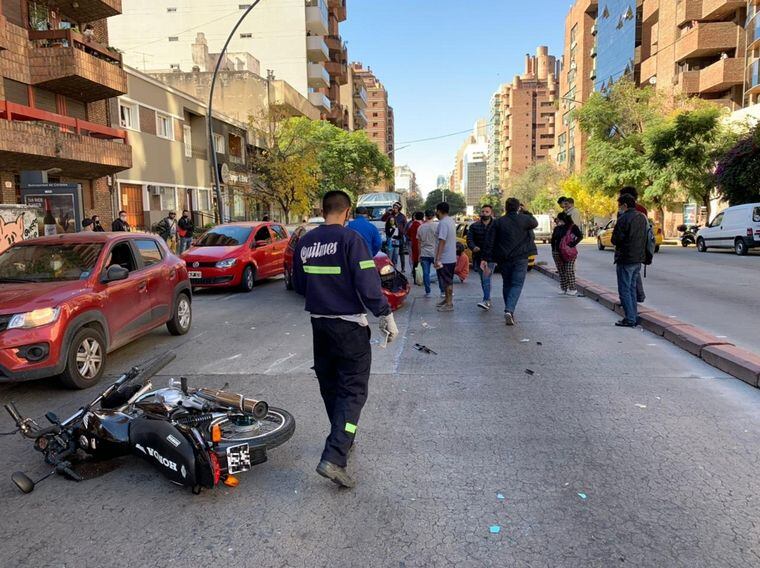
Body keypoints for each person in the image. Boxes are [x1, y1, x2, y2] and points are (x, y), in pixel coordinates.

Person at [293, 190, 398, 488]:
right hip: (349, 328)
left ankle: (342, 437)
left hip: (319, 327)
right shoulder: (352, 240)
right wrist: (385, 315)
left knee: (331, 386)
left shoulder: (306, 241)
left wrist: (324, 292)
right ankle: (335, 456)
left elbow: (300, 284)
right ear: (348, 211)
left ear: (323, 209)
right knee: (353, 393)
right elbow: (368, 283)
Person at [482, 197, 538, 326]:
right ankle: (509, 309)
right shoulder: (525, 220)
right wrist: (526, 212)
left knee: (506, 283)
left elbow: (489, 241)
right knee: (517, 284)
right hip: (521, 258)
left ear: (505, 208)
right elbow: (534, 222)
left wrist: (485, 258)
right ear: (518, 207)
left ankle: (509, 309)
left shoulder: (498, 222)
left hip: (503, 258)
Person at [611, 194, 648, 327]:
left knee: (625, 289)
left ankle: (630, 318)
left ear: (625, 205)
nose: (619, 208)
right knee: (632, 289)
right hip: (638, 258)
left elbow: (615, 239)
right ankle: (633, 316)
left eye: (619, 205)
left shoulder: (623, 219)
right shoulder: (642, 218)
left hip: (625, 258)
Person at [619, 186, 647, 302]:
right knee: (635, 273)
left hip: (627, 251)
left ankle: (630, 304)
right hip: (640, 248)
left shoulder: (623, 213)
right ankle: (638, 296)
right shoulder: (642, 210)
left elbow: (619, 234)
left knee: (627, 282)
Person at [467, 204, 496, 310]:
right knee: (484, 278)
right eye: (483, 211)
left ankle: (486, 300)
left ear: (491, 213)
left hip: (491, 257)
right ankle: (487, 298)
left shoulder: (496, 225)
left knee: (486, 277)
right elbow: (469, 239)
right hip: (478, 256)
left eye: (487, 212)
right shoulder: (474, 226)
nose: (484, 213)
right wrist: (473, 247)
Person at [433, 202, 457, 312]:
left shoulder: (443, 223)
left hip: (445, 258)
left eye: (436, 211)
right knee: (446, 280)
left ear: (438, 211)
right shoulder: (451, 221)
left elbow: (442, 240)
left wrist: (438, 258)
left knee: (447, 281)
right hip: (450, 257)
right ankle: (447, 300)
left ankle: (449, 303)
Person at [551, 212, 583, 296]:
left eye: (558, 219)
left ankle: (572, 288)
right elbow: (553, 239)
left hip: (569, 252)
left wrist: (571, 245)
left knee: (569, 270)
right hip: (557, 252)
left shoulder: (572, 227)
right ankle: (563, 287)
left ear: (562, 219)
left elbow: (580, 236)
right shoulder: (557, 228)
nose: (557, 220)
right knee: (561, 271)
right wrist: (553, 249)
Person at [417, 209, 437, 298]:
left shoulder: (420, 227)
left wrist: (419, 254)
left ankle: (428, 291)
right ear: (433, 216)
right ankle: (443, 290)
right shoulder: (437, 226)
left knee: (426, 273)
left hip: (424, 253)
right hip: (435, 253)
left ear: (425, 216)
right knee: (440, 272)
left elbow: (419, 243)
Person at [381, 203, 408, 271]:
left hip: (399, 237)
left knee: (399, 253)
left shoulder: (402, 216)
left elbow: (405, 226)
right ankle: (390, 269)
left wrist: (402, 232)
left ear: (399, 208)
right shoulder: (390, 215)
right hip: (390, 237)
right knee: (389, 254)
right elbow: (382, 219)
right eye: (394, 207)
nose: (395, 209)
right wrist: (387, 213)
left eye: (396, 207)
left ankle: (401, 268)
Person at [406, 212, 423, 284]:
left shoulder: (413, 224)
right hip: (420, 244)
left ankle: (415, 276)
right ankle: (419, 278)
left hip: (413, 244)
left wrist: (412, 238)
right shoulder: (420, 225)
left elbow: (408, 233)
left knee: (415, 261)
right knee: (420, 261)